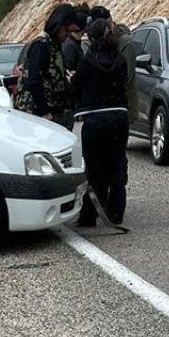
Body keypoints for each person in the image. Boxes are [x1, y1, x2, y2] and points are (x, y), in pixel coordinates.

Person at [71, 18, 131, 228]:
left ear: (93, 38)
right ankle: (116, 213)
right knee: (116, 164)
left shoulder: (88, 61)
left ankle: (89, 216)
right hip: (119, 116)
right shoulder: (121, 60)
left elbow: (77, 88)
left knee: (94, 168)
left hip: (94, 117)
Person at [13, 3, 83, 128]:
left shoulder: (55, 45)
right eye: (66, 30)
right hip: (35, 113)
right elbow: (34, 81)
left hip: (52, 110)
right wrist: (44, 112)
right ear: (58, 26)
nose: (67, 35)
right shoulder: (41, 45)